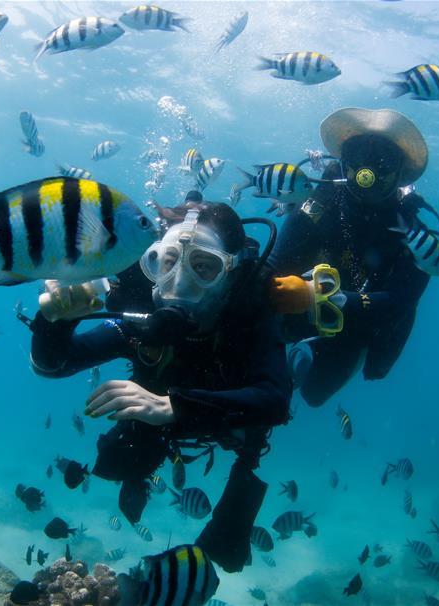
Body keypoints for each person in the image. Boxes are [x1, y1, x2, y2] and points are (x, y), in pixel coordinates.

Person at [27, 194, 291, 572]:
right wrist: (56, 322)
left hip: (226, 416)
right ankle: (140, 477)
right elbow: (56, 364)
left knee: (229, 547)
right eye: (167, 263)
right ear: (150, 262)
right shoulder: (142, 311)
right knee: (118, 461)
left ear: (231, 273)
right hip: (156, 412)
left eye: (204, 267)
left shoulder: (250, 314)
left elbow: (275, 400)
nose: (179, 283)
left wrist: (172, 407)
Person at [268, 107, 439, 407]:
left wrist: (322, 298)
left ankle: (311, 354)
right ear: (342, 162)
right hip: (300, 311)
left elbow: (400, 303)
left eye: (383, 162)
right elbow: (273, 266)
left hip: (360, 325)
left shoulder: (413, 235)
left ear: (399, 174)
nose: (367, 174)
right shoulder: (318, 204)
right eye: (357, 157)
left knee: (314, 395)